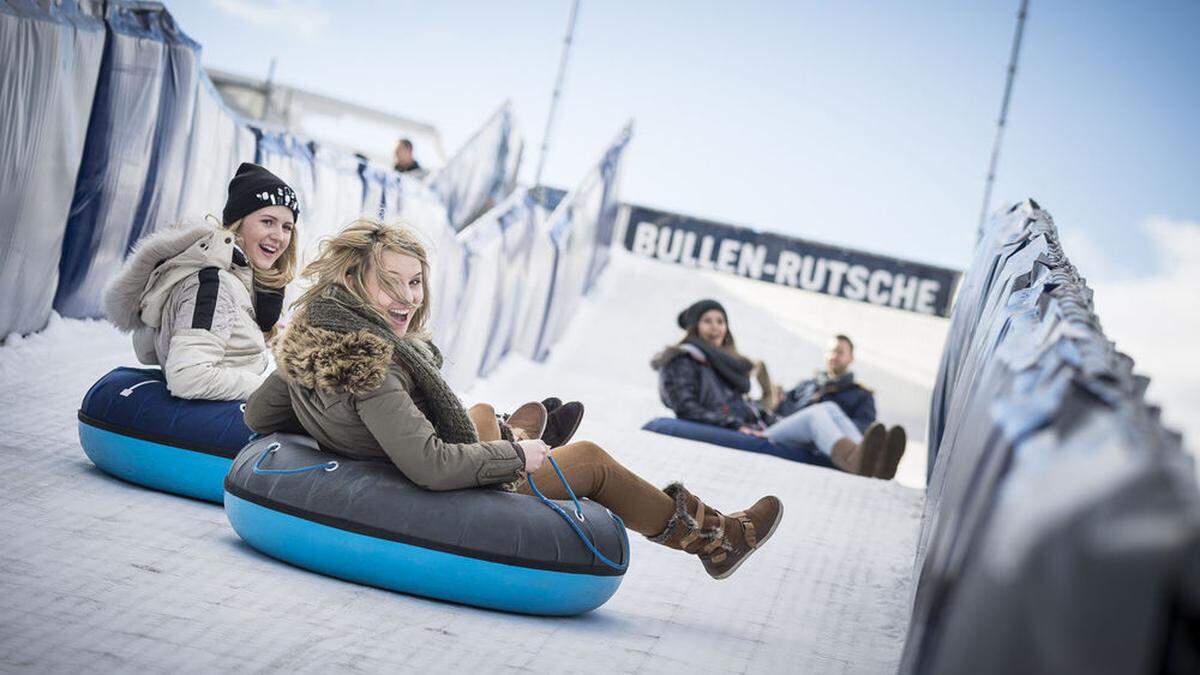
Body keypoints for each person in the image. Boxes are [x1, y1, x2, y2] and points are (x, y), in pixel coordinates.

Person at [244, 220, 783, 580]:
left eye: (414, 283)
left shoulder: (312, 341)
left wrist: (334, 425)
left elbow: (260, 414)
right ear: (351, 279)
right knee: (591, 460)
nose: (408, 300)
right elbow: (431, 467)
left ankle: (511, 429)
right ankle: (716, 540)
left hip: (387, 461)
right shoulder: (373, 368)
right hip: (436, 494)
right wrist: (516, 460)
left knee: (475, 414)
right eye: (391, 284)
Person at [103, 163, 300, 400]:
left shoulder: (237, 280)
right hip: (210, 419)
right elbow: (189, 377)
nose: (279, 236)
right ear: (238, 223)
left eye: (287, 227)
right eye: (267, 221)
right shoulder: (213, 283)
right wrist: (270, 393)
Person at [765, 335, 907, 479]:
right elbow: (781, 413)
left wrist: (828, 430)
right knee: (818, 412)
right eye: (831, 351)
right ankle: (858, 460)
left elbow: (863, 426)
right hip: (777, 434)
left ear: (851, 358)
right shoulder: (807, 385)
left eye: (840, 352)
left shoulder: (861, 394)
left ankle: (874, 463)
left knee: (829, 408)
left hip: (823, 444)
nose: (834, 356)